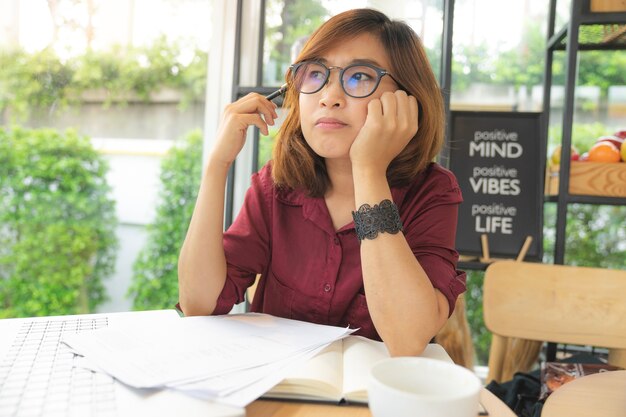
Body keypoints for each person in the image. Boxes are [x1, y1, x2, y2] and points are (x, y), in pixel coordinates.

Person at [178, 8, 466, 357]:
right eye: (315, 74)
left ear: (406, 101)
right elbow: (200, 305)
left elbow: (406, 338)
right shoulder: (276, 185)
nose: (329, 96)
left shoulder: (432, 192)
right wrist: (216, 166)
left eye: (359, 77)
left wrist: (369, 170)